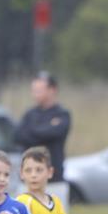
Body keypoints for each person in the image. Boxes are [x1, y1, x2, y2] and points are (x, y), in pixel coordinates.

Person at [16, 72, 72, 202]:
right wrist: (45, 130)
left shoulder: (62, 114)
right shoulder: (29, 114)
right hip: (27, 182)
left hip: (54, 181)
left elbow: (55, 133)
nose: (35, 94)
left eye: (39, 90)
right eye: (33, 90)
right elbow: (18, 136)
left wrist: (32, 132)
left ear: (52, 90)